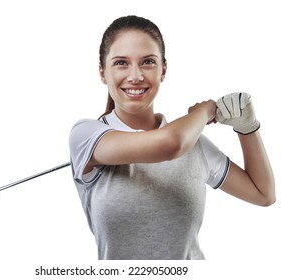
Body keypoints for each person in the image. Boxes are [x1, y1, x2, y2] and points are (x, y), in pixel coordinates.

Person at [68, 15, 275, 260]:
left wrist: (248, 129)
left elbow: (263, 194)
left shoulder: (192, 141)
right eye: (121, 63)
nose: (135, 76)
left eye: (147, 62)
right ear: (103, 72)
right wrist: (204, 110)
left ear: (163, 69)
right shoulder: (86, 136)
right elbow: (170, 144)